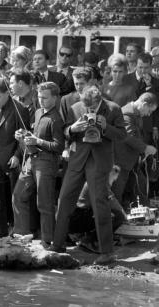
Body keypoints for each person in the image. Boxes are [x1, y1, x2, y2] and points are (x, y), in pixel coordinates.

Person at [51, 85, 126, 265]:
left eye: (93, 108)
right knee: (64, 200)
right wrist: (72, 129)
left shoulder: (113, 109)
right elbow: (65, 132)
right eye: (87, 108)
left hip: (99, 163)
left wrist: (105, 127)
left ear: (100, 100)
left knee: (100, 204)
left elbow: (122, 135)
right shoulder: (75, 108)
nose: (89, 110)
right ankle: (57, 245)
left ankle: (106, 252)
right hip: (77, 161)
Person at [12, 82, 64, 247]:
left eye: (45, 97)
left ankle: (47, 241)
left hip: (47, 163)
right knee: (18, 195)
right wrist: (25, 135)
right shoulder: (38, 112)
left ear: (55, 98)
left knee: (44, 203)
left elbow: (58, 147)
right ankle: (21, 234)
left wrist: (37, 141)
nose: (41, 100)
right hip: (31, 160)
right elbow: (35, 135)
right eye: (39, 97)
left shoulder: (56, 119)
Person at [0, 78, 30, 236]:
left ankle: (11, 228)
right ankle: (1, 228)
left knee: (4, 191)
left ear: (7, 93)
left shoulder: (20, 109)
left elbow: (25, 135)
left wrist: (17, 155)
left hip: (10, 158)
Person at [112, 92, 158, 207]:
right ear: (144, 104)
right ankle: (114, 219)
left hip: (130, 160)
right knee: (116, 191)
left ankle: (142, 210)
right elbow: (128, 137)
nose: (148, 114)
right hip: (121, 160)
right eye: (149, 110)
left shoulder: (135, 114)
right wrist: (145, 148)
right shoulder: (127, 114)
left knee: (139, 186)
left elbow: (136, 136)